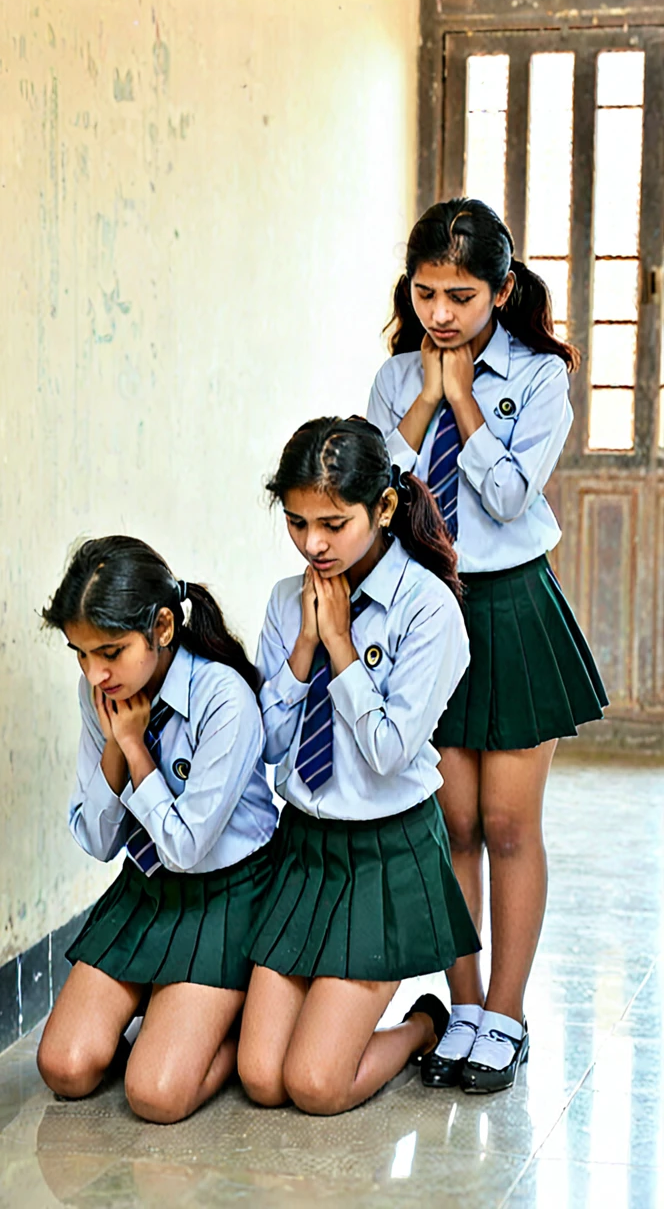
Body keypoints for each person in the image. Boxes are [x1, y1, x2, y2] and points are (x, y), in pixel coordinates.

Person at [367, 197, 607, 1093]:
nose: (440, 313)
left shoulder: (541, 378)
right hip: (425, 608)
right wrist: (425, 396)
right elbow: (377, 494)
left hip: (508, 607)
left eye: (462, 295)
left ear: (502, 291)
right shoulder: (396, 380)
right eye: (426, 292)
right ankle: (461, 1004)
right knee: (452, 822)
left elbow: (507, 500)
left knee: (508, 823)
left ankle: (506, 1014)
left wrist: (462, 402)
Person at [238, 416, 479, 1116]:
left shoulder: (428, 609)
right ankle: (336, 1009)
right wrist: (303, 649)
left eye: (333, 524)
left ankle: (422, 1026)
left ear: (383, 509)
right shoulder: (291, 600)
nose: (312, 544)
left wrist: (341, 649)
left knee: (315, 1086)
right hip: (305, 850)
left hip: (385, 853)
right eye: (296, 522)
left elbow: (386, 753)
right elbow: (271, 747)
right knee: (260, 1077)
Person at [36, 536, 277, 1123]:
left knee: (156, 1095)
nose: (95, 672)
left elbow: (189, 848)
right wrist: (116, 750)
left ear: (163, 626)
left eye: (110, 652)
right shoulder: (101, 693)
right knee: (66, 1067)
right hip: (147, 889)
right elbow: (96, 842)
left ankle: (236, 1028)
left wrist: (136, 751)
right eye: (80, 654)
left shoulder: (225, 697)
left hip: (225, 893)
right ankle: (172, 1018)